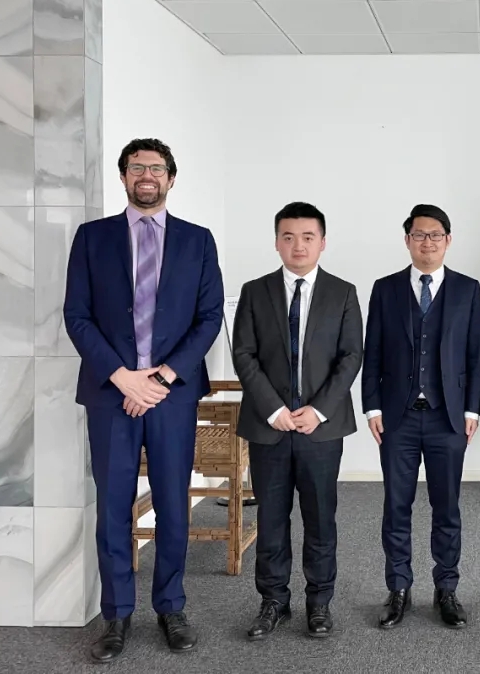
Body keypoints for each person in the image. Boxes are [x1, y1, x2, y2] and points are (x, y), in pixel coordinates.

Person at [64, 138, 223, 662]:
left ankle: (170, 607)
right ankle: (116, 614)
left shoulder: (198, 241)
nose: (147, 175)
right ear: (124, 176)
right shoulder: (92, 238)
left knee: (174, 504)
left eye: (156, 168)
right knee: (113, 506)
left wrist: (162, 378)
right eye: (137, 167)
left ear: (171, 178)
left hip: (171, 395)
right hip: (111, 394)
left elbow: (209, 317)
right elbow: (77, 315)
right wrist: (122, 378)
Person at [231, 202, 363, 640]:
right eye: (288, 237)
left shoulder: (343, 293)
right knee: (271, 520)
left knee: (321, 519)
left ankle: (319, 602)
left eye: (308, 237)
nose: (298, 245)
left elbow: (351, 357)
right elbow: (244, 354)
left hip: (320, 428)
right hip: (268, 426)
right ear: (276, 242)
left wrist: (318, 409)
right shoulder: (255, 291)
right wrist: (274, 409)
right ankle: (273, 601)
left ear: (322, 242)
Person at [361, 204, 480, 630]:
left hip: (448, 418)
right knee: (397, 506)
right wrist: (373, 406)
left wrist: (472, 408)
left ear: (448, 240)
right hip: (397, 419)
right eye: (419, 234)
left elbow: (476, 355)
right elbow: (373, 351)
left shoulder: (468, 289)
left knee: (446, 507)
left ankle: (446, 588)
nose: (426, 242)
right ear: (407, 240)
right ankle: (398, 588)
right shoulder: (385, 288)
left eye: (435, 235)